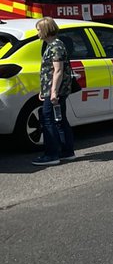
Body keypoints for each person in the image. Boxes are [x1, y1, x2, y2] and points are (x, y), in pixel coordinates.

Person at [31, 17, 76, 166]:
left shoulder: (55, 46)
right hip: (52, 89)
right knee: (60, 119)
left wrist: (53, 93)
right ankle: (67, 151)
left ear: (45, 30)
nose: (37, 32)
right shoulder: (52, 45)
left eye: (39, 29)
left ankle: (51, 154)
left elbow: (58, 71)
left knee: (48, 119)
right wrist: (44, 90)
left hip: (56, 91)